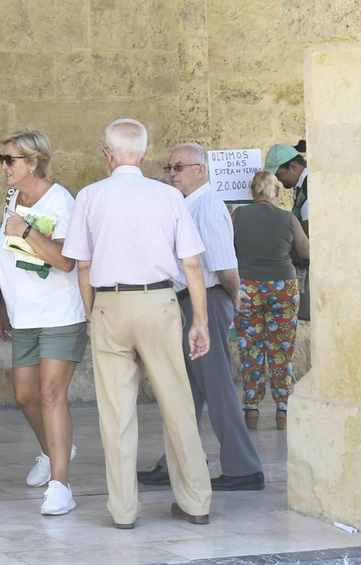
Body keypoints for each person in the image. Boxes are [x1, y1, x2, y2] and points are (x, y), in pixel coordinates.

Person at [62, 119, 212, 530]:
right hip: (160, 301)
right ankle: (196, 501)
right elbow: (192, 263)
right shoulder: (167, 195)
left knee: (116, 413)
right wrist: (200, 320)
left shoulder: (90, 196)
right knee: (178, 405)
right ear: (145, 155)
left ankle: (124, 510)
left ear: (107, 154)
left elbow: (83, 265)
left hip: (110, 303)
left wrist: (92, 313)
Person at [140, 143, 266, 492]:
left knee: (217, 387)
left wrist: (232, 296)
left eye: (179, 167)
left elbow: (225, 267)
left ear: (202, 170)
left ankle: (243, 467)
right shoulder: (188, 206)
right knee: (189, 391)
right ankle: (177, 461)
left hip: (206, 301)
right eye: (170, 168)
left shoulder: (207, 208)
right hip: (192, 301)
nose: (173, 174)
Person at [0, 129, 85, 516]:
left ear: (33, 163)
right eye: (2, 159)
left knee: (50, 394)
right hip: (24, 314)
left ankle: (60, 486)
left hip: (60, 313)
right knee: (25, 397)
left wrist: (26, 230)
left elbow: (67, 260)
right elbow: (9, 253)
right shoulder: (14, 199)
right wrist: (3, 303)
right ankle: (53, 450)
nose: (3, 167)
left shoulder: (61, 201)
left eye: (10, 159)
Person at [232, 169, 309, 430]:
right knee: (282, 350)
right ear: (276, 191)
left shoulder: (238, 215)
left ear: (252, 192)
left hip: (247, 287)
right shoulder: (288, 218)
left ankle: (251, 409)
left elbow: (228, 249)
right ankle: (282, 409)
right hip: (283, 288)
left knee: (250, 348)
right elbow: (306, 250)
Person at [265, 141, 311, 321]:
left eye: (279, 173)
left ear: (293, 166)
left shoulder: (309, 188)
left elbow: (310, 233)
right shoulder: (300, 186)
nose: (277, 178)